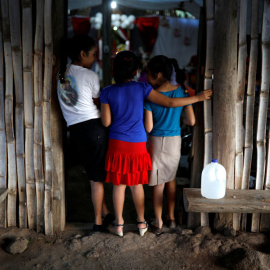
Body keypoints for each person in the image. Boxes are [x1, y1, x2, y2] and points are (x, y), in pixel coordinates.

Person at [100, 51, 212, 237]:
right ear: (136, 70)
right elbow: (169, 102)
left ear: (114, 69)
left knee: (118, 185)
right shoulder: (143, 88)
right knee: (136, 184)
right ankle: (142, 223)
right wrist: (197, 98)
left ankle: (119, 225)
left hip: (117, 143)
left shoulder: (107, 91)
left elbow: (106, 122)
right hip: (137, 143)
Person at [57, 34, 114, 233]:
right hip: (94, 129)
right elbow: (99, 102)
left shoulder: (61, 73)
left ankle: (105, 212)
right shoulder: (90, 75)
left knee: (93, 174)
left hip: (75, 131)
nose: (95, 58)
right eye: (93, 54)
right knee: (97, 179)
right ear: (82, 54)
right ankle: (98, 222)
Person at [144, 55, 196, 235]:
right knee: (171, 179)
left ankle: (158, 222)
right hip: (175, 141)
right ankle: (172, 218)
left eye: (149, 73)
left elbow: (148, 127)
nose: (147, 76)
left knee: (158, 182)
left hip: (157, 142)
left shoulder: (151, 96)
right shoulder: (180, 92)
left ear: (157, 75)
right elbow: (191, 120)